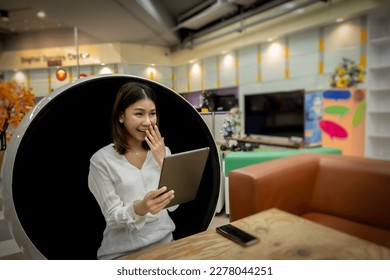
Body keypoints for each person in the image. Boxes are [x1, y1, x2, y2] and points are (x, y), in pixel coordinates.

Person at [88, 82, 177, 260]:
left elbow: (175, 205)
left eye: (152, 114)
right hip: (122, 253)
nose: (148, 122)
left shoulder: (163, 152)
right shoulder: (101, 160)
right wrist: (142, 207)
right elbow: (113, 218)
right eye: (139, 114)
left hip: (166, 244)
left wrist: (163, 161)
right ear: (121, 116)